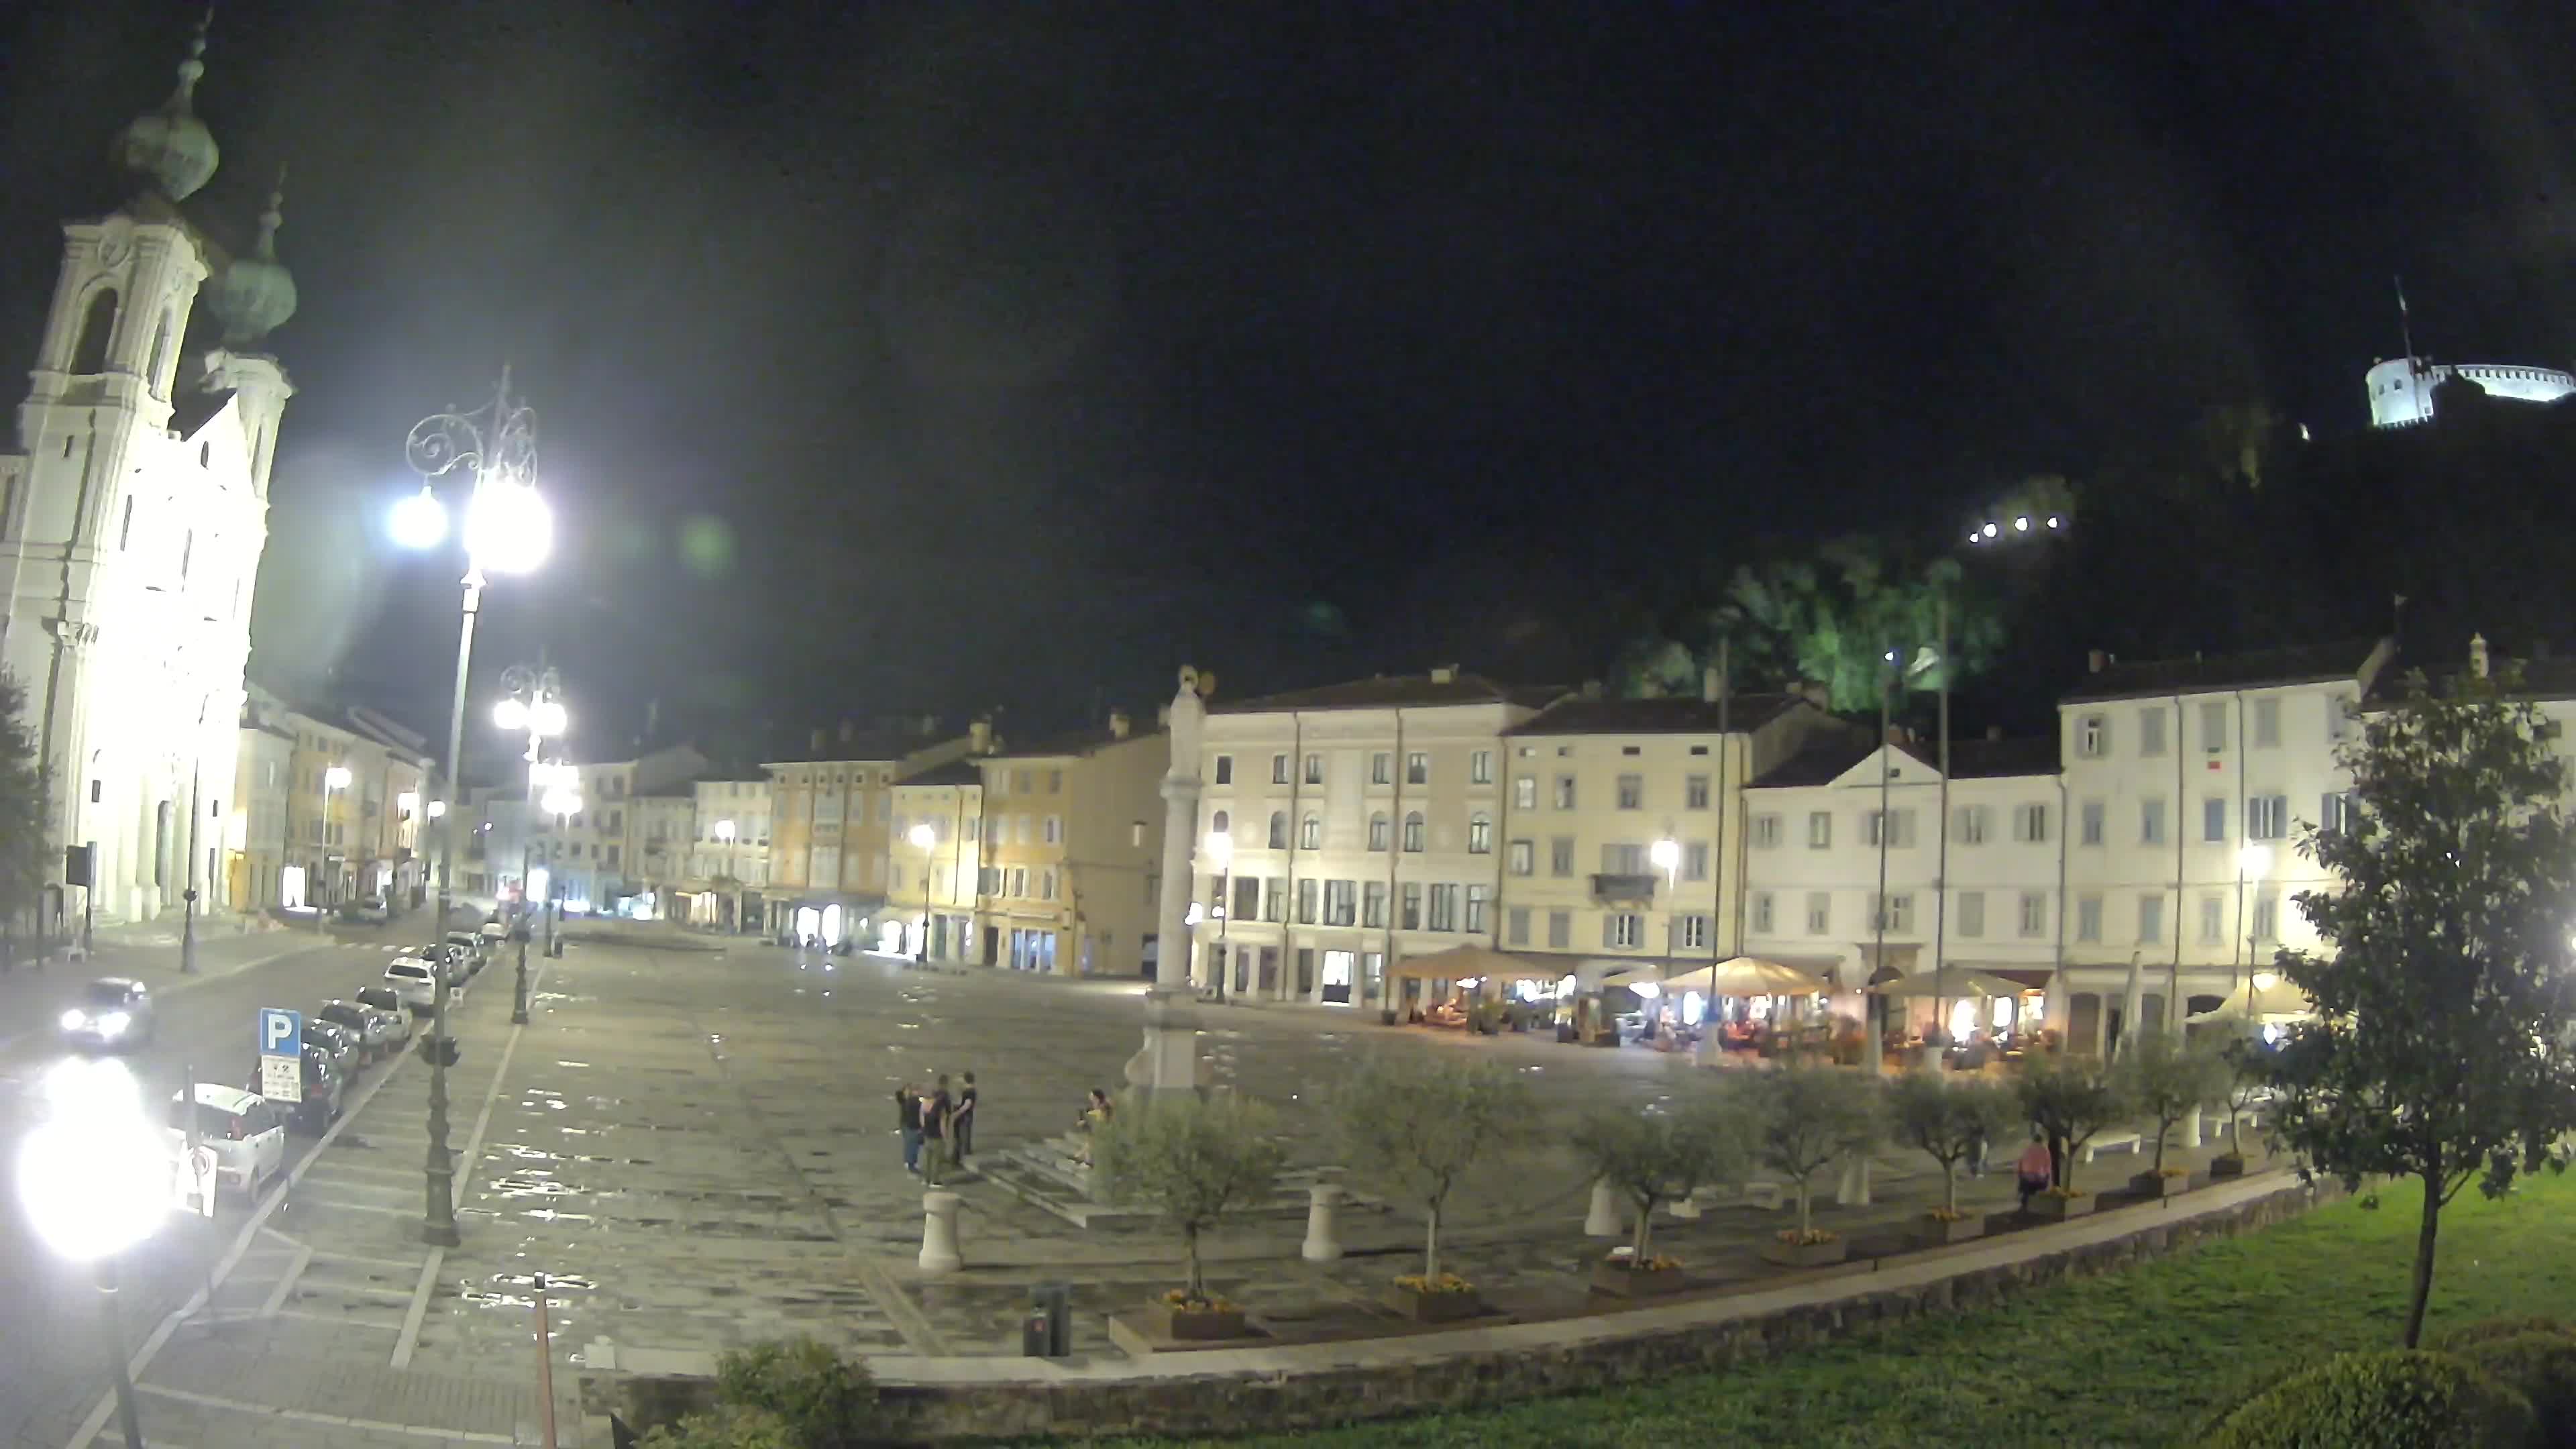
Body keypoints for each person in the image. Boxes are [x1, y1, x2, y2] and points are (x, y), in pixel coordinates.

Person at [922, 1075, 953, 1185]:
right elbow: (943, 1122)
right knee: (936, 1159)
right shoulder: (944, 1100)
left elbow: (922, 1117)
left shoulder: (927, 1102)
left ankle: (926, 1179)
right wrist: (945, 1137)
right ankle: (935, 1181)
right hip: (937, 1135)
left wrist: (924, 1129)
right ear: (946, 1084)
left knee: (927, 1158)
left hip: (927, 1133)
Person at [2016, 1131, 2053, 1212]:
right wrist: (2047, 1176)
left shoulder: (2027, 1149)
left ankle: (2024, 1206)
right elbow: (2048, 1165)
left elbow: (2020, 1162)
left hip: (2027, 1176)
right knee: (2038, 1192)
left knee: (2027, 1192)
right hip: (2039, 1177)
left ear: (2033, 1140)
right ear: (2041, 1141)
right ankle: (2037, 1207)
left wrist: (2019, 1173)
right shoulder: (2045, 1150)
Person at [894, 1083, 922, 1175]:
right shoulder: (906, 1101)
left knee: (910, 1144)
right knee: (911, 1144)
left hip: (907, 1125)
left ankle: (909, 1161)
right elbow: (898, 1095)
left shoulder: (909, 1101)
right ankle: (910, 1163)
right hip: (908, 1125)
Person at [954, 1071, 977, 1163]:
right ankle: (967, 1149)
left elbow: (967, 1104)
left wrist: (958, 1113)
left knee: (965, 1132)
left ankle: (966, 1150)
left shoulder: (969, 1091)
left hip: (965, 1115)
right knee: (967, 1131)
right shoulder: (970, 1090)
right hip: (968, 1114)